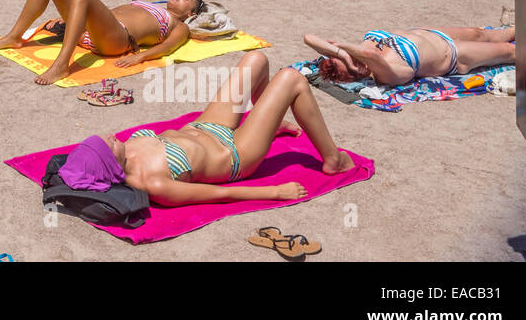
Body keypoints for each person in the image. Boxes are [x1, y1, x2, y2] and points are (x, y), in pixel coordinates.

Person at [78, 52, 355, 206]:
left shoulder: (125, 148)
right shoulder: (154, 183)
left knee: (255, 60)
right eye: (106, 144)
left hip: (207, 126)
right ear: (109, 164)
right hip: (235, 153)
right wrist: (273, 192)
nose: (109, 135)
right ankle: (333, 160)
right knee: (291, 78)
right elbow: (218, 195)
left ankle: (269, 117)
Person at [0, 0, 203, 85]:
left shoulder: (179, 25)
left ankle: (61, 64)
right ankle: (15, 37)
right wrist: (68, 16)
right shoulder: (147, 4)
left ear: (190, 13)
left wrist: (142, 57)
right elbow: (106, 13)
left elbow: (167, 47)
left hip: (116, 40)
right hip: (92, 29)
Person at [303, 26, 516, 86]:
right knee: (510, 51)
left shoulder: (357, 51)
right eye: (351, 61)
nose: (353, 56)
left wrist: (341, 53)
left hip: (433, 33)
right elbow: (370, 55)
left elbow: (309, 37)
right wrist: (347, 55)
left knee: (486, 33)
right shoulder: (385, 73)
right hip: (455, 55)